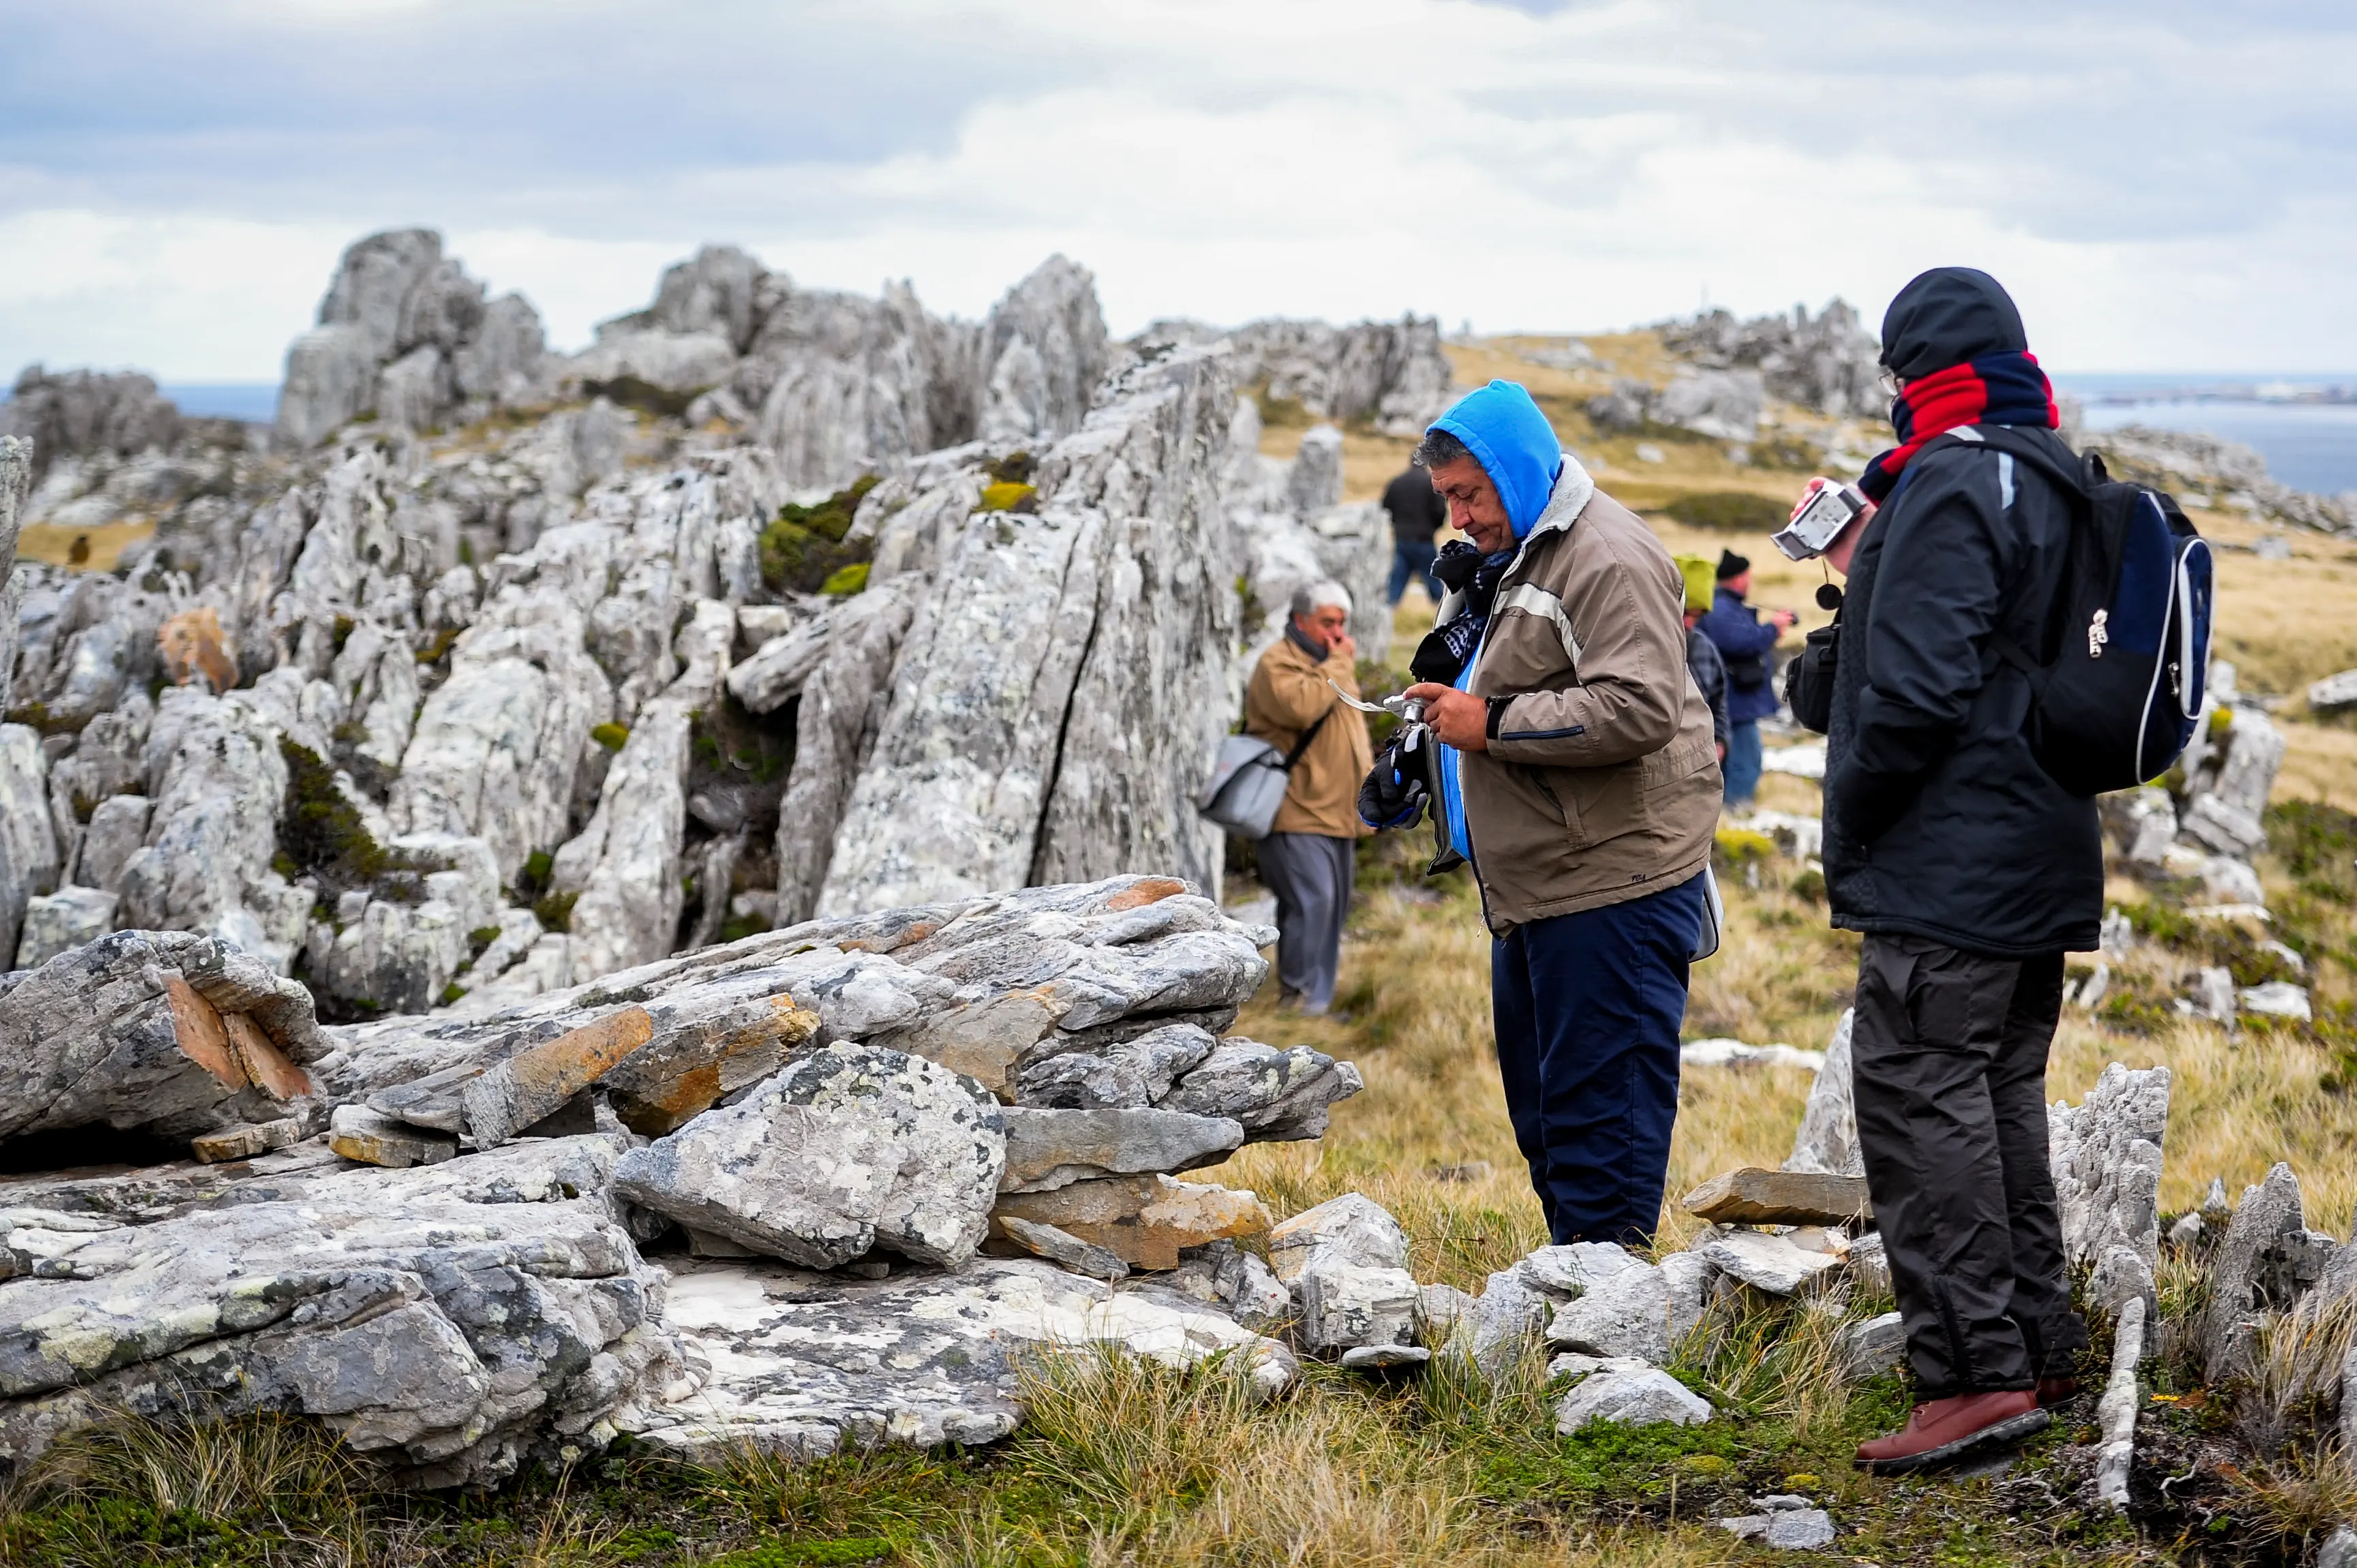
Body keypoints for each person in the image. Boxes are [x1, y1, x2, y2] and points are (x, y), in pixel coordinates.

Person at [1821, 267, 2097, 1474]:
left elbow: (1922, 691)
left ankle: (1971, 1380)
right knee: (1994, 1100)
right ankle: (2035, 1351)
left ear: (1913, 368)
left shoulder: (1947, 476)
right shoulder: (2053, 471)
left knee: (1917, 1090)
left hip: (1950, 861)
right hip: (2039, 849)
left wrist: (1861, 810)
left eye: (1894, 373)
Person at [1389, 381, 1722, 1246]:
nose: (1458, 516)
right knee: (1549, 1114)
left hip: (1613, 880)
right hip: (1544, 883)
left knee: (1599, 1123)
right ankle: (1578, 1294)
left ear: (1518, 469)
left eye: (1470, 493)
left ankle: (1607, 1335)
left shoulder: (1602, 556)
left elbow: (1639, 708)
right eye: (1448, 499)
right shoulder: (1513, 557)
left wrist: (1488, 725)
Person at [1243, 580, 1373, 1015]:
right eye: (1327, 623)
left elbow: (1352, 732)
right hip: (1295, 810)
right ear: (1301, 621)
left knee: (1331, 908)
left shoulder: (1329, 661)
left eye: (1342, 623)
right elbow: (1301, 707)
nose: (1337, 633)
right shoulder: (1277, 663)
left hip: (1337, 811)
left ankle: (1318, 1000)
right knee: (1310, 903)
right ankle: (1298, 1001)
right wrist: (1339, 661)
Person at [1697, 551, 1795, 805]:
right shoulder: (1721, 608)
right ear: (1739, 578)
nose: (1749, 581)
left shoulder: (1726, 606)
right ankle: (1737, 811)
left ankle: (1728, 812)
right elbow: (1740, 642)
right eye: (1747, 576)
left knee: (1734, 761)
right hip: (1735, 703)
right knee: (1746, 761)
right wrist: (1773, 628)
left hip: (1735, 701)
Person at [1676, 555, 1731, 763]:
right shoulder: (1638, 646)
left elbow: (1719, 703)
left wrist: (1720, 741)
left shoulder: (1705, 647)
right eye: (1685, 613)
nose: (1690, 623)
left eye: (1698, 616)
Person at [1381, 463, 1446, 604]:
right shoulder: (1431, 485)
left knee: (1396, 584)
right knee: (1434, 582)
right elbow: (1440, 511)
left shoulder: (1397, 482)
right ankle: (1442, 614)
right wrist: (1433, 528)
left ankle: (1389, 612)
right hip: (1424, 540)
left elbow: (1385, 507)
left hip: (1402, 540)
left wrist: (1397, 524)